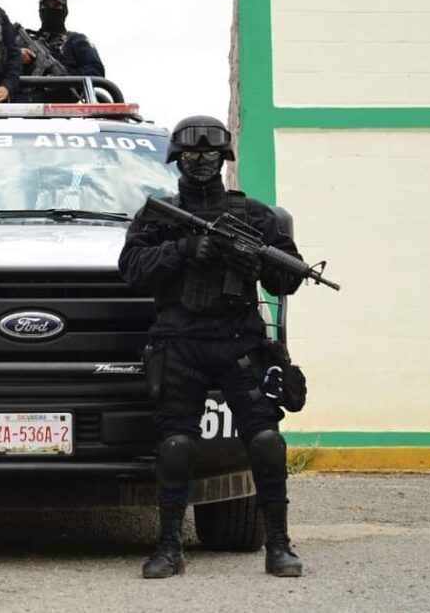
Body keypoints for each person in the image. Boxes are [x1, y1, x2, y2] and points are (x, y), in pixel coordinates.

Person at [118, 116, 305, 579]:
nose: (201, 162)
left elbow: (288, 278)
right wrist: (184, 251)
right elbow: (133, 269)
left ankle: (279, 546)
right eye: (192, 155)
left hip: (239, 342)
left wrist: (258, 263)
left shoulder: (255, 216)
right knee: (176, 443)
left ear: (223, 159)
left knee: (266, 440)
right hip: (181, 343)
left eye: (209, 154)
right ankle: (169, 547)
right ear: (177, 160)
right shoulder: (160, 216)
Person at [16, 0, 105, 102]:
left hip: (62, 108)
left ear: (65, 10)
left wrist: (63, 79)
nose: (50, 10)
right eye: (45, 6)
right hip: (21, 107)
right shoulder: (25, 40)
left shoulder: (76, 40)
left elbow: (96, 71)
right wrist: (17, 55)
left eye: (56, 6)